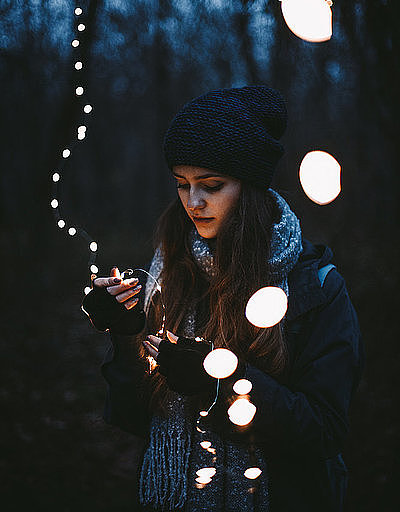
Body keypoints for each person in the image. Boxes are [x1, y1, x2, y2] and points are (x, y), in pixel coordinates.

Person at [81, 85, 365, 512]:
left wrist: (223, 382)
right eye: (182, 184)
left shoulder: (314, 286)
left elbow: (324, 430)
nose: (193, 202)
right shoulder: (170, 271)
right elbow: (134, 418)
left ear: (249, 188)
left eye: (212, 185)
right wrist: (127, 335)